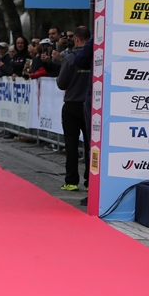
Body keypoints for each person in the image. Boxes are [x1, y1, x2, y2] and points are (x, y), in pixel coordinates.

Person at [56, 26, 91, 192]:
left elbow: (61, 83)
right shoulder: (97, 58)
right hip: (91, 106)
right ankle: (91, 181)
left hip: (72, 105)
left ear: (76, 39)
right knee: (91, 145)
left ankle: (71, 181)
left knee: (71, 144)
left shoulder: (70, 59)